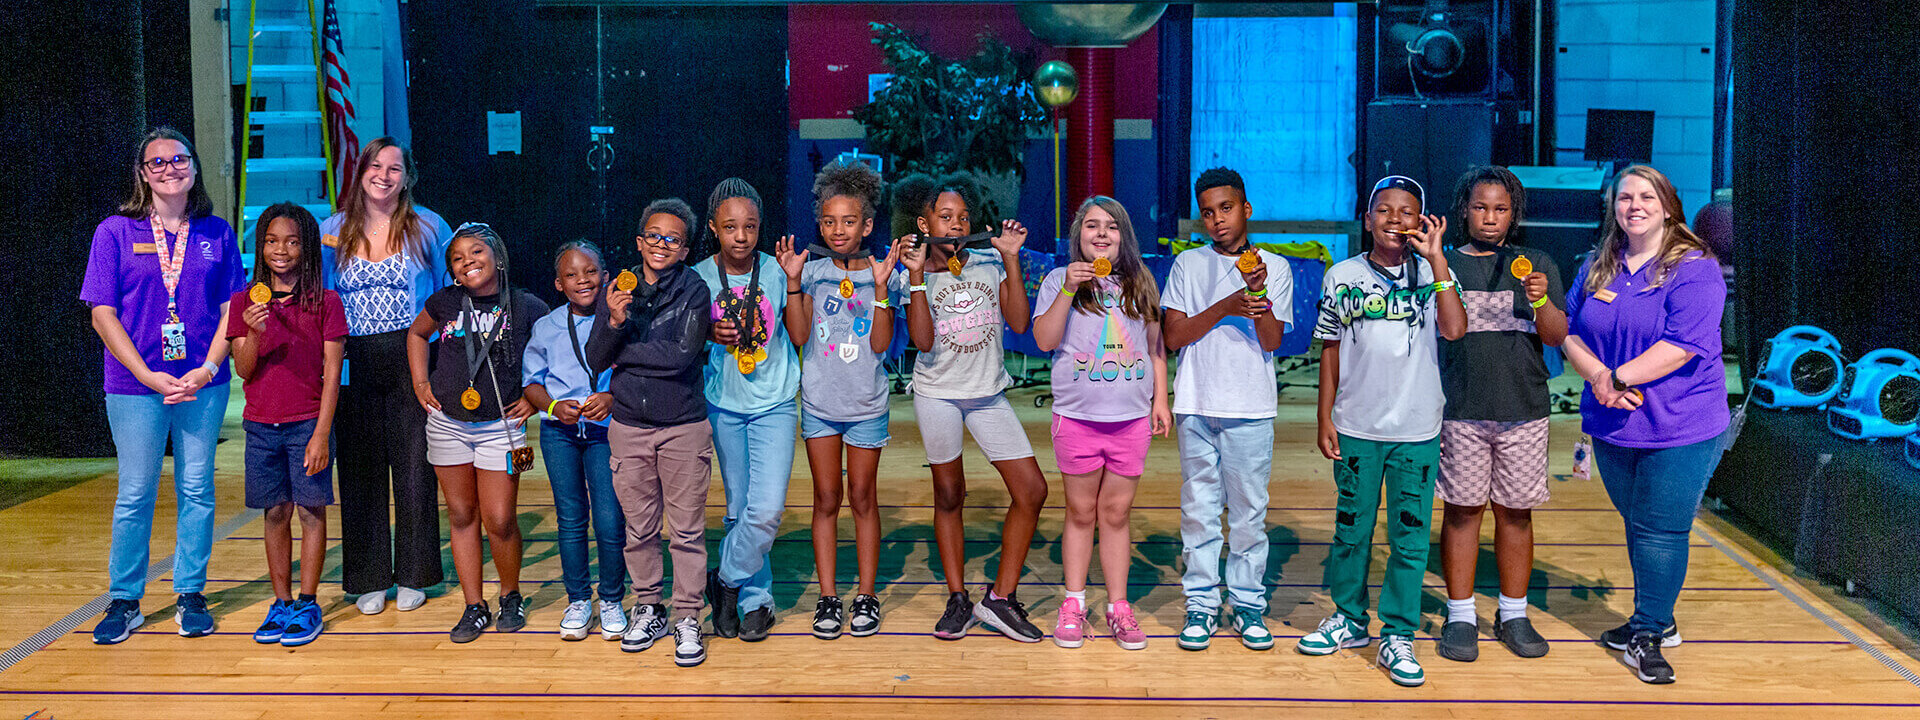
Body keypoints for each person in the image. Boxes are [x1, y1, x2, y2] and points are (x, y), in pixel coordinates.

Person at [1559, 165, 1727, 685]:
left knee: (1660, 528)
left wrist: (1616, 376)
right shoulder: (1597, 264)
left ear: (1668, 205)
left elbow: (1682, 345)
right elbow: (1565, 329)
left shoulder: (1695, 268)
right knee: (1639, 522)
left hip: (1681, 424)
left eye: (1646, 196)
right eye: (1624, 197)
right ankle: (1652, 617)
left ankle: (1649, 634)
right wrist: (1600, 380)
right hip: (1613, 424)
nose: (1633, 205)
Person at [1296, 175, 1466, 688]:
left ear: (1422, 221)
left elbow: (1455, 329)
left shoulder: (1437, 272)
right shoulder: (1341, 276)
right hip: (1357, 426)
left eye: (1407, 211)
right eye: (1384, 210)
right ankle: (1348, 619)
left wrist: (1437, 261)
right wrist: (1325, 416)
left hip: (1416, 429)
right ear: (1367, 219)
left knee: (1410, 539)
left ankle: (1398, 633)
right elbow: (1328, 350)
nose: (1396, 220)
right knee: (1352, 530)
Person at [83, 127, 246, 644]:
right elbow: (102, 315)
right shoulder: (114, 232)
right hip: (136, 386)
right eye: (157, 162)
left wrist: (208, 366)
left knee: (196, 488)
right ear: (143, 173)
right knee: (135, 492)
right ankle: (125, 600)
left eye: (180, 159)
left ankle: (191, 592)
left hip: (203, 382)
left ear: (194, 168)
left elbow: (231, 309)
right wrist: (146, 373)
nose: (170, 168)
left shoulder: (216, 232)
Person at [891, 173, 1049, 643]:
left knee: (1032, 490)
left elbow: (1019, 322)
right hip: (937, 393)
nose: (957, 226)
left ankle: (999, 598)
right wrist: (917, 277)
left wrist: (1012, 258)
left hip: (987, 394)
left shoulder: (987, 263)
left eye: (963, 218)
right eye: (945, 217)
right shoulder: (911, 274)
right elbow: (920, 340)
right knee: (949, 494)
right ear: (925, 223)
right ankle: (958, 596)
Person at [1433, 166, 1567, 663]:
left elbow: (1555, 336)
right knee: (1463, 511)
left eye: (1501, 208)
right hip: (1461, 410)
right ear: (1463, 210)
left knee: (1516, 513)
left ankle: (1513, 613)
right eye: (1480, 207)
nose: (1490, 218)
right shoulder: (1441, 265)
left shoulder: (1537, 263)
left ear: (1515, 213)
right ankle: (1461, 614)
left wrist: (1540, 301)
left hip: (1524, 411)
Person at [320, 137, 456, 615]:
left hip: (415, 357)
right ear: (360, 172)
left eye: (394, 168)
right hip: (353, 358)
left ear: (408, 176)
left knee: (416, 466)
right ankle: (369, 576)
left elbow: (447, 296)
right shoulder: (331, 230)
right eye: (375, 166)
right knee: (359, 469)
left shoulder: (429, 227)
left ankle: (417, 573)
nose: (384, 175)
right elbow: (322, 299)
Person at [1031, 196, 1171, 651]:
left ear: (1123, 236)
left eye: (1111, 226)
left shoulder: (1140, 281)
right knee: (1080, 512)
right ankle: (1073, 602)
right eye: (1092, 226)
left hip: (1129, 421)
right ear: (1078, 236)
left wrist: (1160, 400)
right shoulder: (1059, 280)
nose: (1102, 233)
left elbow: (1156, 349)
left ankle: (1118, 607)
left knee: (1115, 513)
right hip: (1077, 419)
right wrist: (1069, 289)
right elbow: (1045, 338)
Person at [1160, 167, 1291, 652]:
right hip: (1196, 402)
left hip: (1252, 407)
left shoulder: (1273, 266)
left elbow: (1273, 339)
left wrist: (1256, 292)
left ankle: (1248, 603)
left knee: (1249, 513)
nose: (1218, 219)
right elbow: (1173, 337)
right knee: (1198, 510)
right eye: (1209, 212)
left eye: (1227, 208)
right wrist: (1225, 305)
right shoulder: (1188, 265)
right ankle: (1201, 604)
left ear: (1246, 209)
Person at [776, 159, 905, 639]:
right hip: (820, 406)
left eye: (848, 221)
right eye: (828, 221)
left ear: (867, 225)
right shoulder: (810, 272)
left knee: (863, 498)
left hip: (867, 405)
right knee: (826, 498)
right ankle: (829, 598)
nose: (837, 230)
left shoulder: (882, 275)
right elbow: (798, 334)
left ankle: (866, 596)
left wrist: (882, 288)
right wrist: (792, 282)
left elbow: (879, 344)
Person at [586, 199, 715, 667]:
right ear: (640, 242)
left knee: (685, 531)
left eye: (673, 239)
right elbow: (597, 358)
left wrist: (626, 352)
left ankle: (687, 616)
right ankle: (648, 607)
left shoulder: (695, 291)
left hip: (683, 427)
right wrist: (616, 322)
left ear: (684, 250)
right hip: (629, 428)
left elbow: (682, 354)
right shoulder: (616, 290)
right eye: (654, 236)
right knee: (639, 529)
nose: (662, 244)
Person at [406, 223, 549, 642]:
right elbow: (416, 334)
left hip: (501, 428)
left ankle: (510, 595)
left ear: (498, 257)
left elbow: (556, 350)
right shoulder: (446, 302)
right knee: (463, 515)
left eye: (476, 252)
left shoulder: (526, 306)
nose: (467, 261)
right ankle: (474, 605)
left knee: (500, 518)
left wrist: (535, 400)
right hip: (448, 423)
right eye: (457, 257)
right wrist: (420, 382)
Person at [227, 202, 345, 647]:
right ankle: (280, 603)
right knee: (275, 512)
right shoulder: (244, 301)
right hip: (260, 426)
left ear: (307, 247)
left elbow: (332, 373)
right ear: (261, 247)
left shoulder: (325, 302)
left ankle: (308, 602)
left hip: (306, 424)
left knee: (311, 511)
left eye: (293, 241)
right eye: (272, 241)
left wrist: (320, 433)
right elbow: (243, 369)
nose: (281, 250)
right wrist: (253, 332)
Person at [691, 179, 802, 642]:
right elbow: (684, 341)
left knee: (767, 510)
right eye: (731, 226)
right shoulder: (697, 276)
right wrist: (707, 336)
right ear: (715, 228)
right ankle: (757, 599)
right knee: (739, 509)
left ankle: (726, 581)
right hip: (724, 403)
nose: (741, 236)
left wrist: (794, 283)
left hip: (774, 400)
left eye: (750, 226)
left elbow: (797, 335)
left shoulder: (777, 271)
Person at [521, 241, 627, 641]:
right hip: (560, 434)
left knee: (610, 519)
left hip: (605, 433)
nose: (583, 280)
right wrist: (551, 408)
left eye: (590, 272)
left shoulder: (620, 319)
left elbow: (633, 372)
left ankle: (612, 598)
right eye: (572, 275)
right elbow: (531, 381)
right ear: (558, 284)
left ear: (605, 275)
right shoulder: (547, 326)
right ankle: (579, 598)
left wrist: (612, 397)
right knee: (570, 519)